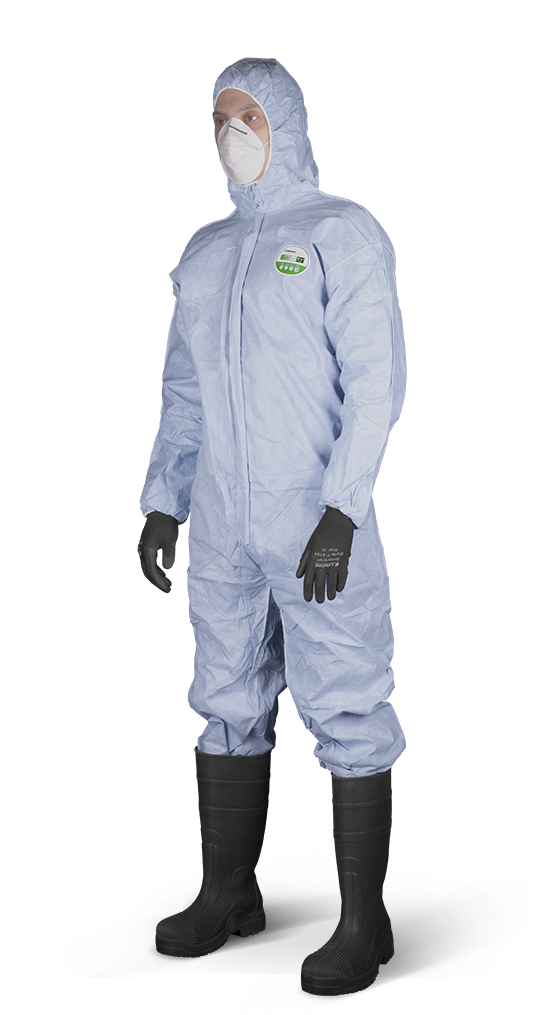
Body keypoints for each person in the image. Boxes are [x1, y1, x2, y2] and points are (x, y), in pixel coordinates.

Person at [140, 58, 404, 996]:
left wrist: (343, 507)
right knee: (223, 695)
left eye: (246, 115)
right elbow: (182, 397)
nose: (229, 132)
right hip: (221, 521)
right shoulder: (207, 256)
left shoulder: (339, 233)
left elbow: (376, 382)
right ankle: (229, 893)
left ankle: (364, 925)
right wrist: (162, 507)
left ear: (284, 124)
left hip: (313, 517)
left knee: (344, 702)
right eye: (218, 118)